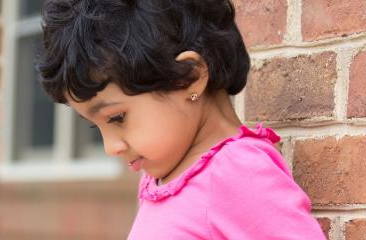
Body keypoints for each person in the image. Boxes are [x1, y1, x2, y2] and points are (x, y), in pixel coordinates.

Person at [37, 0, 326, 239]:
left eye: (117, 117)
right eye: (95, 125)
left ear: (190, 77)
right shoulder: (159, 177)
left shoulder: (236, 170)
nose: (110, 147)